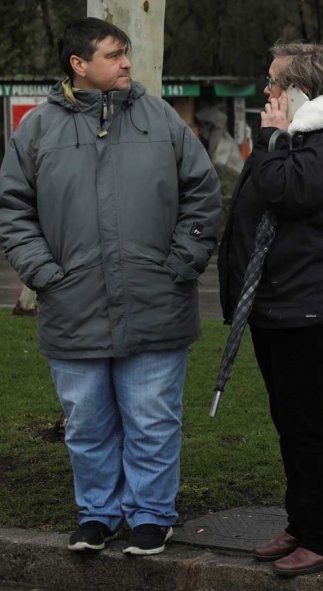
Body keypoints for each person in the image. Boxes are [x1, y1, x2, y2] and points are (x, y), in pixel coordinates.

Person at [0, 18, 221, 555]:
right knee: (88, 426)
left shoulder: (160, 118)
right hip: (72, 306)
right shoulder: (36, 129)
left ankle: (150, 515)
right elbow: (14, 211)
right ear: (79, 65)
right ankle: (97, 513)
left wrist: (180, 263)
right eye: (114, 54)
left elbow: (203, 194)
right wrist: (46, 275)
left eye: (127, 54)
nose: (127, 63)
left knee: (152, 421)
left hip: (155, 303)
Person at [217, 42, 323, 577]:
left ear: (300, 89)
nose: (266, 92)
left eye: (273, 82)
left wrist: (268, 140)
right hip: (280, 303)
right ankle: (302, 523)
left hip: (312, 306)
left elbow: (285, 191)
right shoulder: (301, 138)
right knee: (289, 423)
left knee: (310, 426)